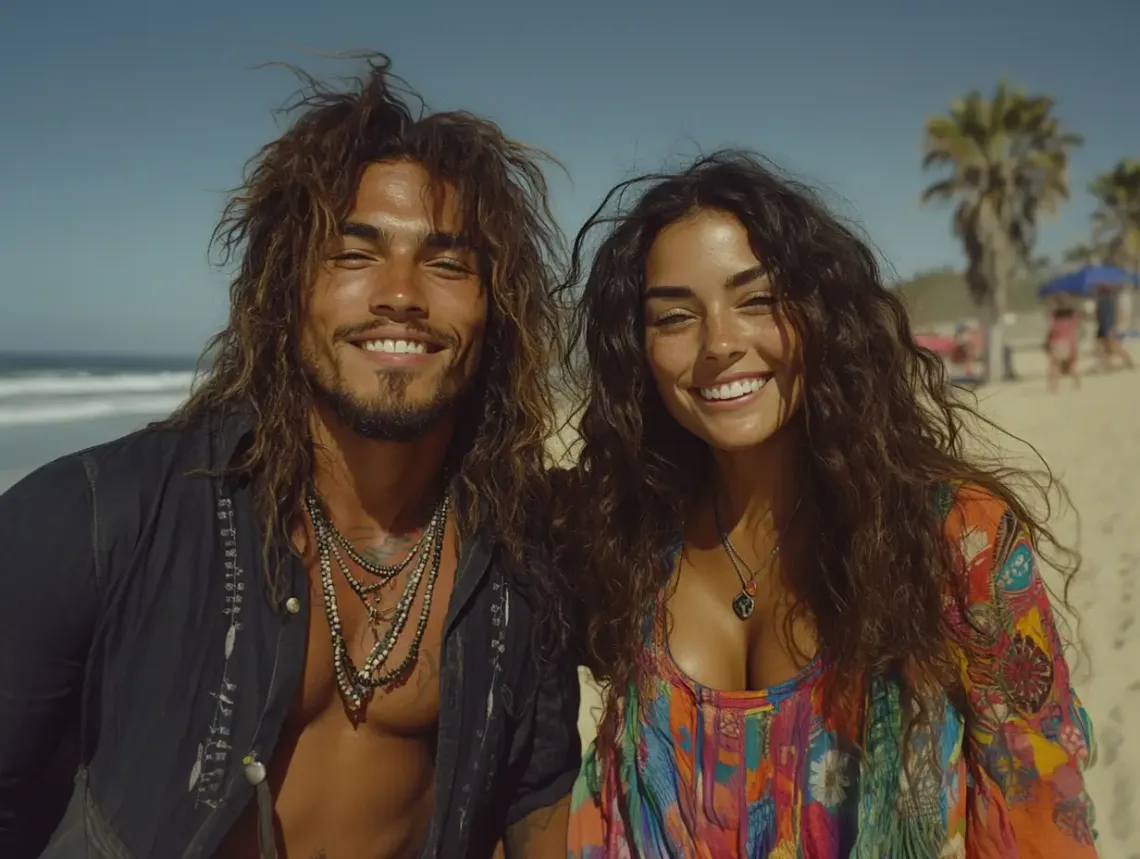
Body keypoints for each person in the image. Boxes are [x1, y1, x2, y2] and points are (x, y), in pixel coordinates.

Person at [0, 55, 580, 859]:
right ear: (286, 289)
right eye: (354, 253)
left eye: (448, 262)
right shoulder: (95, 518)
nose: (401, 293)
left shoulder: (516, 561)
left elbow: (538, 795)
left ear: (495, 309)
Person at [553, 152, 1098, 857]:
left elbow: (1041, 817)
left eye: (757, 299)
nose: (720, 343)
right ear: (639, 349)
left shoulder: (958, 541)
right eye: (676, 315)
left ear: (820, 316)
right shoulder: (626, 540)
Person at [1093, 283, 1135, 373]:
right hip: (1102, 326)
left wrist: (1110, 328)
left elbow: (1111, 315)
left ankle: (1129, 361)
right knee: (1100, 347)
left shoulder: (1108, 300)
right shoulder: (1101, 300)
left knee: (1113, 347)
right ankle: (1108, 365)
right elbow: (1099, 315)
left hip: (1107, 326)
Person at [1044, 296, 1083, 392]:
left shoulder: (1055, 316)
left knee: (1055, 365)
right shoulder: (1073, 316)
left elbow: (1052, 330)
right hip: (1069, 343)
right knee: (1067, 367)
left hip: (1058, 343)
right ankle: (1077, 382)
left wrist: (1046, 342)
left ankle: (1054, 387)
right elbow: (1076, 329)